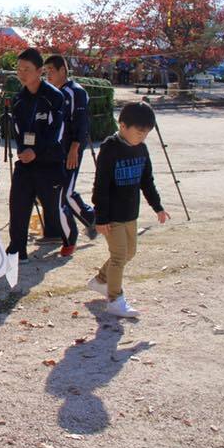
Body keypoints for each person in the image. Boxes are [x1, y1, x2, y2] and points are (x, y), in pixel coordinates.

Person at [87, 102, 170, 317]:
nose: (143, 137)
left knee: (129, 253)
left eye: (147, 133)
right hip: (111, 215)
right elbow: (101, 185)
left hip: (130, 213)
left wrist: (158, 207)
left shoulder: (141, 149)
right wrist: (101, 217)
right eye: (139, 132)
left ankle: (100, 281)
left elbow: (147, 181)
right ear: (122, 125)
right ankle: (115, 299)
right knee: (118, 256)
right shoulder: (110, 148)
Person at [7, 48, 77, 261]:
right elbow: (18, 131)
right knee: (18, 205)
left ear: (39, 71)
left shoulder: (54, 97)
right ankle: (17, 250)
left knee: (55, 207)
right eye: (19, 69)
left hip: (49, 162)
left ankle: (69, 239)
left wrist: (36, 151)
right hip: (26, 162)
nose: (22, 73)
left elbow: (57, 132)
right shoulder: (18, 99)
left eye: (27, 69)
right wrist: (24, 151)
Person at [43, 55, 97, 241]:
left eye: (51, 70)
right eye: (46, 71)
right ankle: (56, 230)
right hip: (56, 150)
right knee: (54, 190)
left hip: (70, 149)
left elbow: (82, 123)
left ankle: (91, 218)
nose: (48, 74)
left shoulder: (76, 92)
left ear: (62, 70)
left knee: (66, 192)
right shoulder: (53, 92)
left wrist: (75, 147)